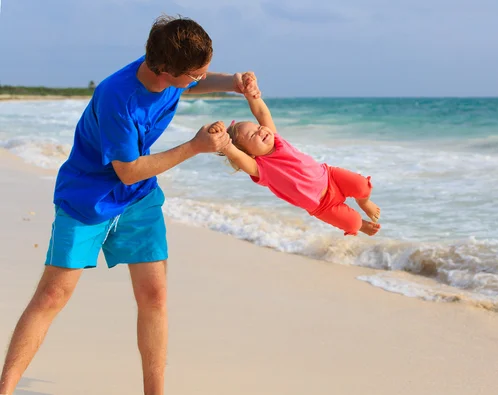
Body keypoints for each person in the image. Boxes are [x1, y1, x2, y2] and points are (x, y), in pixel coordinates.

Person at [0, 15, 260, 395]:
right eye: (195, 75)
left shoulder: (173, 74)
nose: (200, 80)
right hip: (88, 197)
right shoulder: (117, 97)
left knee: (154, 295)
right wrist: (194, 147)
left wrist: (234, 83)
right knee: (53, 296)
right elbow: (128, 171)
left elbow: (198, 81)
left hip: (139, 201)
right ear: (166, 71)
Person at [216, 73, 381, 237]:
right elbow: (238, 157)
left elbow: (262, 114)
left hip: (330, 177)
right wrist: (226, 145)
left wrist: (251, 95)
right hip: (322, 206)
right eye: (253, 136)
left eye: (258, 128)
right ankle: (362, 225)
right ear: (249, 154)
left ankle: (364, 202)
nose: (261, 131)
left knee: (361, 186)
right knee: (352, 223)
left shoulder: (277, 140)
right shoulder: (260, 168)